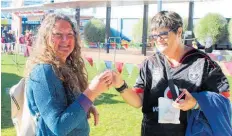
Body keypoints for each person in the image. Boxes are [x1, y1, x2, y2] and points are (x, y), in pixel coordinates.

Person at [111, 11, 231, 136]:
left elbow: (224, 100)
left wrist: (196, 102)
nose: (158, 40)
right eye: (154, 36)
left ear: (179, 32)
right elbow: (138, 101)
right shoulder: (150, 63)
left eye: (163, 34)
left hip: (189, 132)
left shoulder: (203, 63)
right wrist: (120, 85)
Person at [24, 13, 112, 136]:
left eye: (70, 34)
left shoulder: (66, 66)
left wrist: (87, 106)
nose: (65, 40)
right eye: (58, 34)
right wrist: (92, 92)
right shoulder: (44, 71)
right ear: (46, 38)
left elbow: (65, 103)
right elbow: (58, 126)